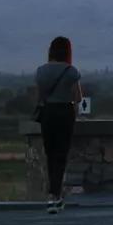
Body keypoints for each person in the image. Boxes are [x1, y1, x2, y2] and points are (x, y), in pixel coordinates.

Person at [35, 36, 82, 214]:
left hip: (47, 113)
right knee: (61, 155)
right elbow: (78, 97)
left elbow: (39, 96)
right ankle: (55, 196)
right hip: (64, 113)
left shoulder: (41, 71)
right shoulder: (71, 71)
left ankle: (52, 196)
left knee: (50, 154)